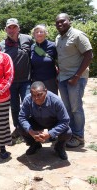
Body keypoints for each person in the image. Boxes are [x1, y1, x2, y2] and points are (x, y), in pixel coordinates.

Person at [55, 13, 93, 148]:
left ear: (69, 21)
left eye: (62, 21)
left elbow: (89, 55)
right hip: (63, 78)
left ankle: (79, 136)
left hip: (76, 78)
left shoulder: (78, 35)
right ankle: (70, 134)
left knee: (76, 108)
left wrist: (76, 76)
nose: (59, 24)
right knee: (67, 108)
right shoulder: (58, 38)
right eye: (57, 22)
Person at [18, 81, 72, 160]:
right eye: (33, 95)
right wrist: (31, 132)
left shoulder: (56, 100)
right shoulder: (27, 99)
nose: (36, 98)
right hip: (37, 122)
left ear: (45, 91)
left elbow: (65, 121)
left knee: (67, 132)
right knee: (20, 127)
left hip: (53, 123)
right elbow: (22, 117)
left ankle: (59, 147)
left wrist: (50, 133)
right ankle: (34, 144)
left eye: (39, 94)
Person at [0, 18, 33, 139]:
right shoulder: (1, 45)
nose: (12, 30)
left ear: (18, 28)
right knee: (14, 107)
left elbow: (37, 51)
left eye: (14, 27)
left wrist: (50, 60)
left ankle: (28, 128)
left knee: (27, 104)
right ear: (5, 29)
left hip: (26, 81)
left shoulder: (28, 39)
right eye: (9, 27)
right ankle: (18, 128)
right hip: (11, 82)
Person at [31, 24, 58, 95]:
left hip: (50, 80)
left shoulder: (53, 46)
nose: (39, 34)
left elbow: (60, 61)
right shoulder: (32, 47)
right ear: (33, 34)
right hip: (35, 81)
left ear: (46, 33)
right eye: (36, 32)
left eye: (41, 32)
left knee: (52, 101)